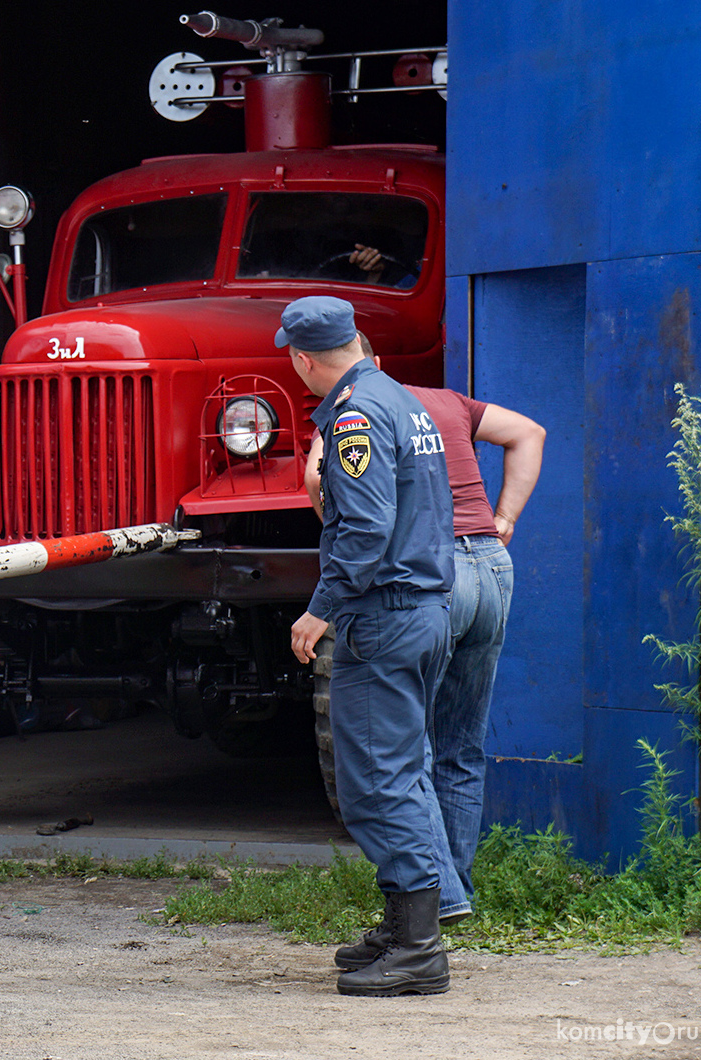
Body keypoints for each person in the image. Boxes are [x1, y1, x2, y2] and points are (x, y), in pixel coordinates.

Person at [306, 357, 546, 942]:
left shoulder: (357, 408)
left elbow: (319, 480)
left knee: (405, 747)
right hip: (492, 566)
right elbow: (529, 433)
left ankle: (437, 896)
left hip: (433, 577)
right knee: (461, 746)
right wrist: (504, 516)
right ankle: (452, 888)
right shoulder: (449, 402)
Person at [279, 295, 455, 997]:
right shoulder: (402, 400)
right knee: (402, 773)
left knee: (376, 784)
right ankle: (402, 925)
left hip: (383, 617)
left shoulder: (354, 415)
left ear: (302, 358)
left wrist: (318, 610)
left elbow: (366, 528)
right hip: (421, 610)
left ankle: (418, 948)